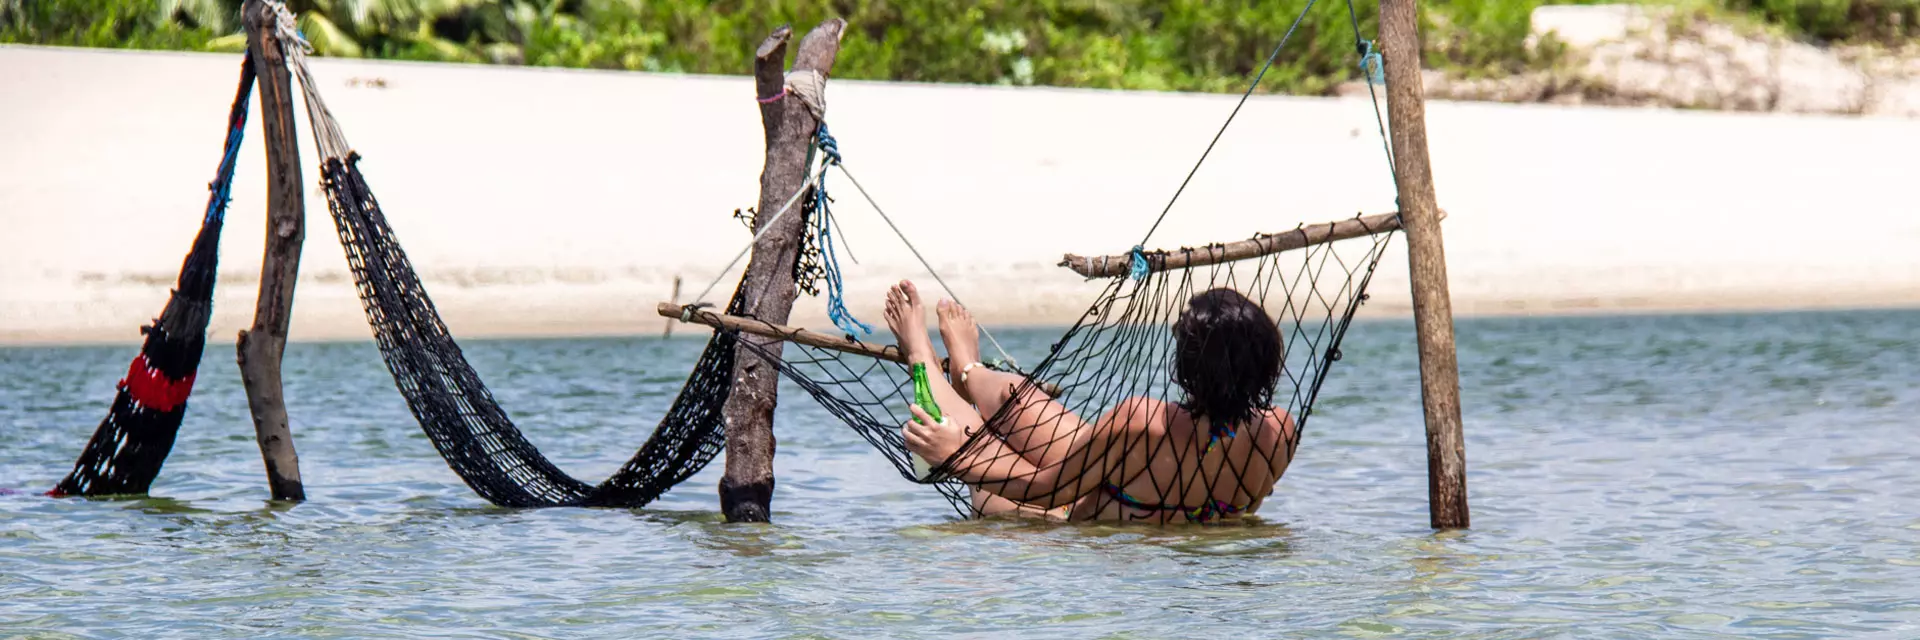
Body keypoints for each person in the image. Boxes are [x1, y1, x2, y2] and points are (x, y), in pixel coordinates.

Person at [884, 280, 1297, 523]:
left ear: (1188, 366)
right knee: (1020, 401)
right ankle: (969, 369)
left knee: (974, 442)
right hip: (1125, 485)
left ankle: (920, 353)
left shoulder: (1141, 420)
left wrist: (957, 458)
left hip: (1061, 519)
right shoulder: (1280, 429)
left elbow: (1044, 492)